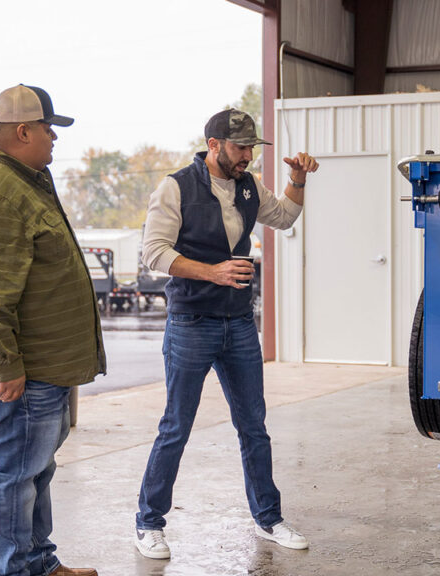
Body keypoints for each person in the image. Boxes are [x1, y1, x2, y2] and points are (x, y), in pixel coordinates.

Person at [133, 108, 319, 559]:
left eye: (252, 148)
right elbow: (153, 253)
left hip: (237, 323)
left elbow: (284, 217)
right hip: (191, 322)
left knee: (254, 426)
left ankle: (268, 519)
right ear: (213, 145)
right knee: (176, 426)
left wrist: (298, 179)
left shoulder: (249, 185)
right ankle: (148, 523)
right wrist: (211, 272)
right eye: (240, 148)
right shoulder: (176, 187)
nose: (248, 156)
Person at [0, 84, 106, 576]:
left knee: (33, 471)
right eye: (49, 129)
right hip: (18, 376)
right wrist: (6, 366)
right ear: (22, 131)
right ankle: (12, 570)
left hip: (40, 371)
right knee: (14, 474)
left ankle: (38, 562)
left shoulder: (24, 182)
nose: (55, 139)